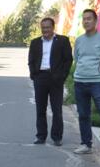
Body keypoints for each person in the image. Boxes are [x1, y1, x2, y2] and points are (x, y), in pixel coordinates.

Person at [71, 9, 100, 154]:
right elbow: (77, 58)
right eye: (84, 19)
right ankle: (86, 144)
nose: (86, 21)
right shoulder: (79, 40)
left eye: (89, 18)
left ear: (95, 21)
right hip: (80, 81)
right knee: (83, 114)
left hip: (98, 81)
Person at [27, 17, 73, 146]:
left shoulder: (62, 41)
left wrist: (62, 76)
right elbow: (31, 60)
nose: (45, 30)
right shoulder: (35, 42)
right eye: (43, 28)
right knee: (40, 109)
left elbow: (68, 60)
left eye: (47, 27)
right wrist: (34, 75)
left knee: (56, 109)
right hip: (40, 77)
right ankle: (41, 136)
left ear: (53, 27)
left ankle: (57, 137)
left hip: (56, 79)